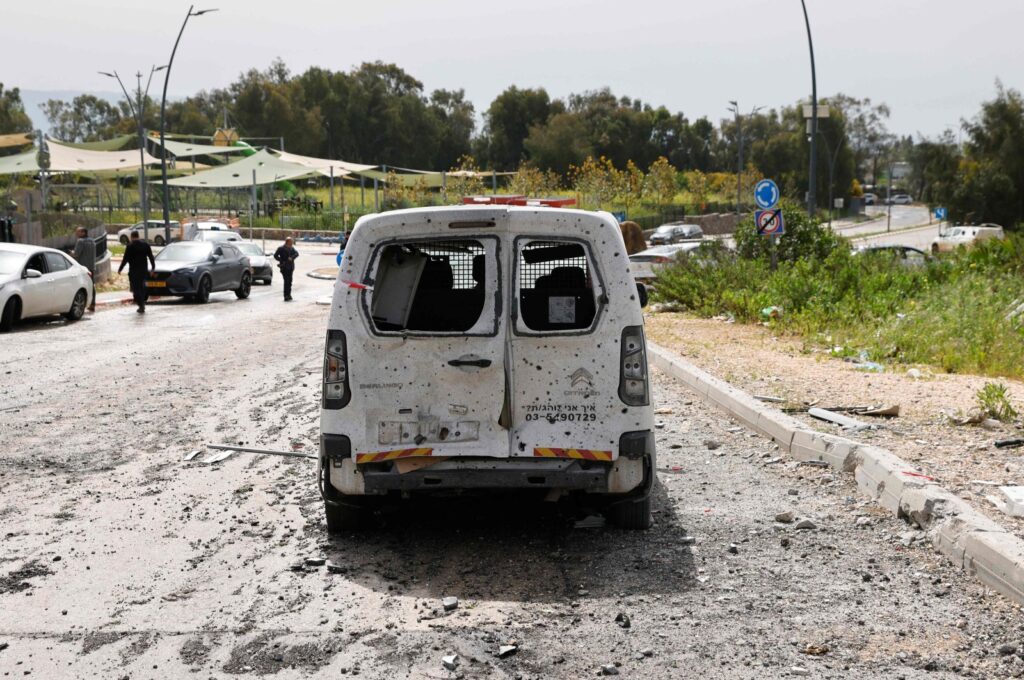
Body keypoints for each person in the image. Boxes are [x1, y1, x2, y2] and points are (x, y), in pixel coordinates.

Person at [118, 231, 156, 314]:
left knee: (135, 288)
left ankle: (140, 304)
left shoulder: (130, 246)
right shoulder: (145, 245)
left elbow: (125, 259)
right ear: (138, 236)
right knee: (141, 287)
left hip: (134, 271)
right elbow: (151, 257)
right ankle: (141, 303)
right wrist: (153, 268)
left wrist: (120, 269)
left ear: (131, 237)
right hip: (143, 270)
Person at [72, 227, 97, 311]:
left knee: (79, 286)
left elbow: (76, 254)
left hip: (82, 268)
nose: (76, 233)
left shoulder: (80, 241)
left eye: (78, 232)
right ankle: (92, 304)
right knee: (91, 286)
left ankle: (79, 305)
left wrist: (70, 253)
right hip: (91, 267)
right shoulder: (92, 241)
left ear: (83, 233)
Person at [274, 237, 299, 301]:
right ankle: (286, 295)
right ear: (287, 242)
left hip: (291, 267)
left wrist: (292, 258)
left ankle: (289, 294)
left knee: (290, 281)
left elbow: (297, 254)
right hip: (284, 267)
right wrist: (281, 260)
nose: (292, 242)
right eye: (291, 241)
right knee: (286, 281)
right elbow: (275, 256)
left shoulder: (292, 248)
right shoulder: (281, 248)